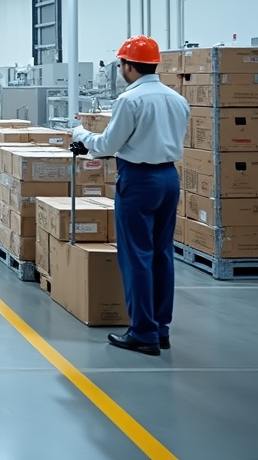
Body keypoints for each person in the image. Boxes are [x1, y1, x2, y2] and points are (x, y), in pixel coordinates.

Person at [71, 35, 189, 356]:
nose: (121, 69)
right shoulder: (177, 99)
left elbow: (108, 144)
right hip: (169, 177)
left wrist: (81, 133)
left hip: (139, 180)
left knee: (136, 255)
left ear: (129, 66)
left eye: (122, 64)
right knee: (162, 254)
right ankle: (160, 328)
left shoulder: (130, 100)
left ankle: (142, 332)